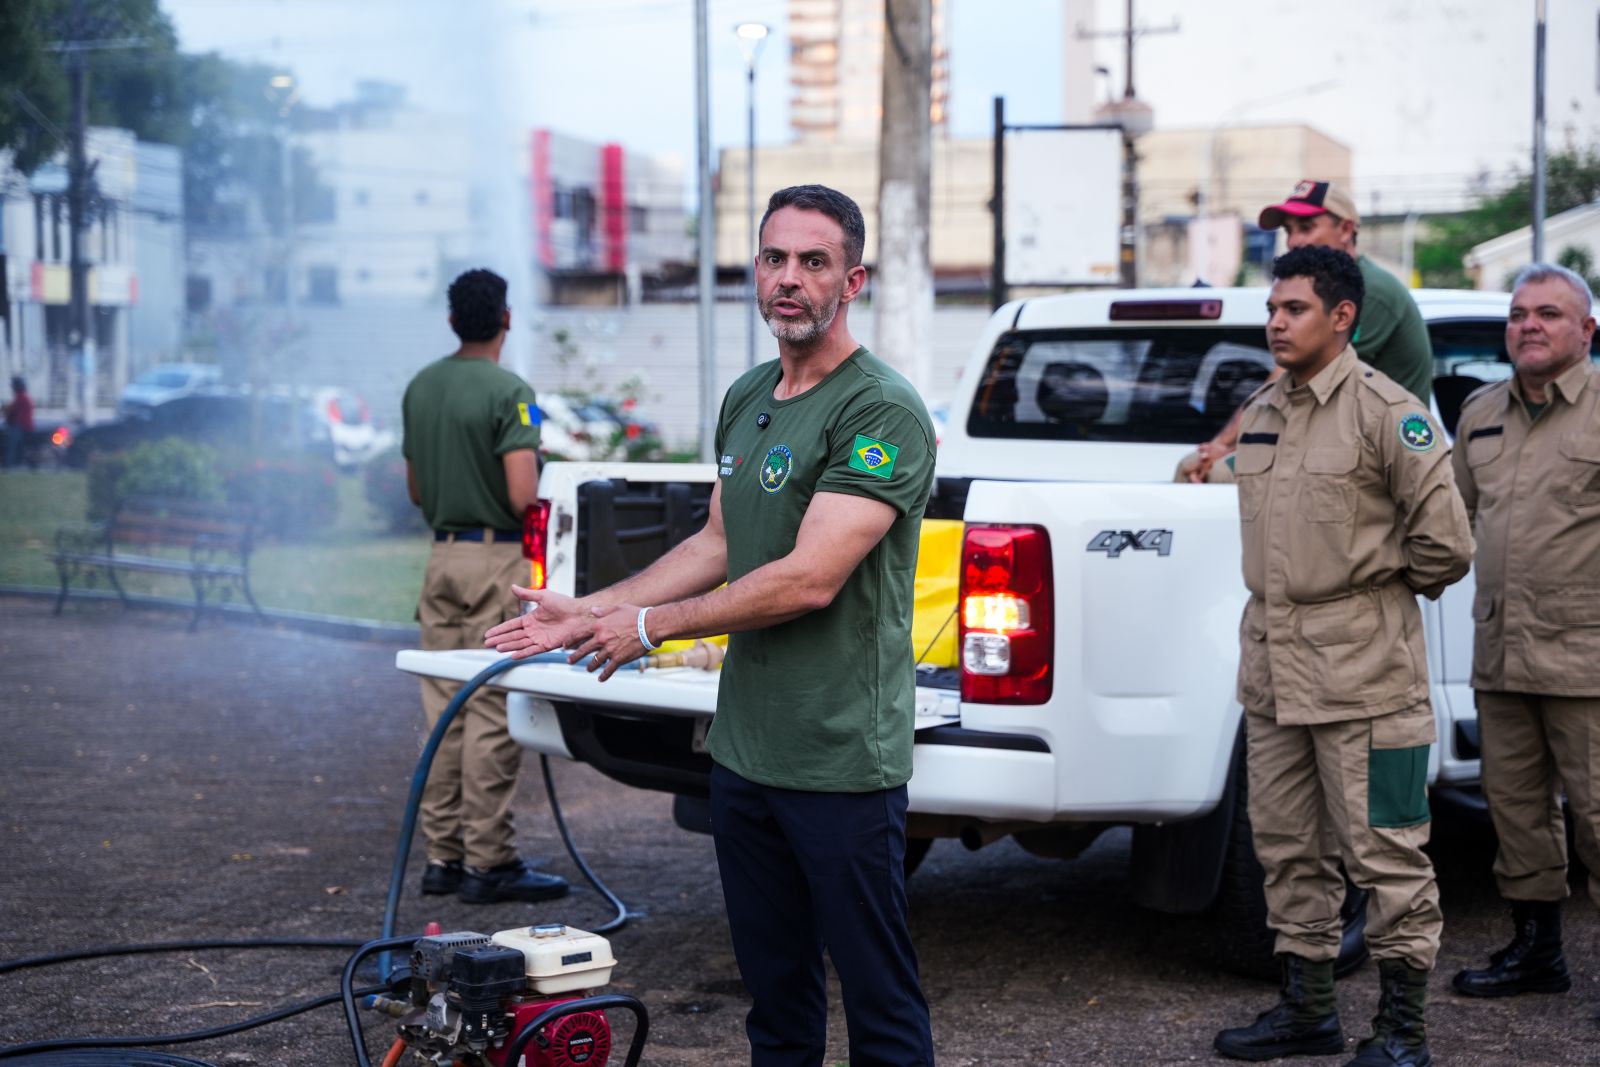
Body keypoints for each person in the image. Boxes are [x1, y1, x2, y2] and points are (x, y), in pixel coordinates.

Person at [485, 184, 938, 1066]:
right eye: (774, 259)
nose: (790, 279)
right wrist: (597, 608)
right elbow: (719, 542)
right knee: (775, 998)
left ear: (854, 282)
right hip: (744, 752)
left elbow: (808, 579)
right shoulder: (749, 395)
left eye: (814, 262)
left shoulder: (879, 408)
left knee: (879, 1002)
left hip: (841, 758)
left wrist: (649, 627)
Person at [1212, 246, 1472, 1067]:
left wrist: (1369, 603)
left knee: (1388, 851)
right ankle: (1309, 1008)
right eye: (1273, 308)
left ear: (1343, 316)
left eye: (1294, 309)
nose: (1276, 322)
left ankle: (1402, 1031)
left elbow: (1447, 546)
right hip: (1276, 673)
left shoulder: (1389, 413)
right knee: (1287, 848)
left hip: (1368, 678)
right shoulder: (1263, 410)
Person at [1449, 262, 1600, 1001]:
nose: (1528, 325)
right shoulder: (1479, 412)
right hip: (1501, 653)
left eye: (1548, 313)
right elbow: (1448, 522)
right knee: (1516, 814)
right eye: (1518, 314)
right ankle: (1537, 952)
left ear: (1587, 330)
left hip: (1589, 658)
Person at [401, 268, 568, 905]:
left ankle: (442, 857)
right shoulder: (510, 391)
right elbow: (523, 493)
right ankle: (489, 863)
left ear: (451, 321)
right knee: (492, 707)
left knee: (441, 708)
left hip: (440, 558)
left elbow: (416, 489)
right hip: (497, 561)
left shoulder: (421, 386)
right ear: (506, 318)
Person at [1183, 179, 1434, 483]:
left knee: (1218, 473)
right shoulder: (1315, 289)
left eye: (1306, 227)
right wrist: (1222, 445)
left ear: (1345, 229)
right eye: (1289, 231)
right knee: (1193, 465)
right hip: (1324, 439)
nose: (1293, 242)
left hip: (1375, 454)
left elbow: (1297, 380)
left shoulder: (1371, 290)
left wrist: (1225, 444)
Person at [4, 376, 34, 468]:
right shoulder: (24, 397)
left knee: (12, 446)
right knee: (20, 446)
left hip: (21, 426)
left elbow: (12, 410)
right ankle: (19, 464)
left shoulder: (20, 397)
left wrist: (7, 418)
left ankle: (8, 465)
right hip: (25, 426)